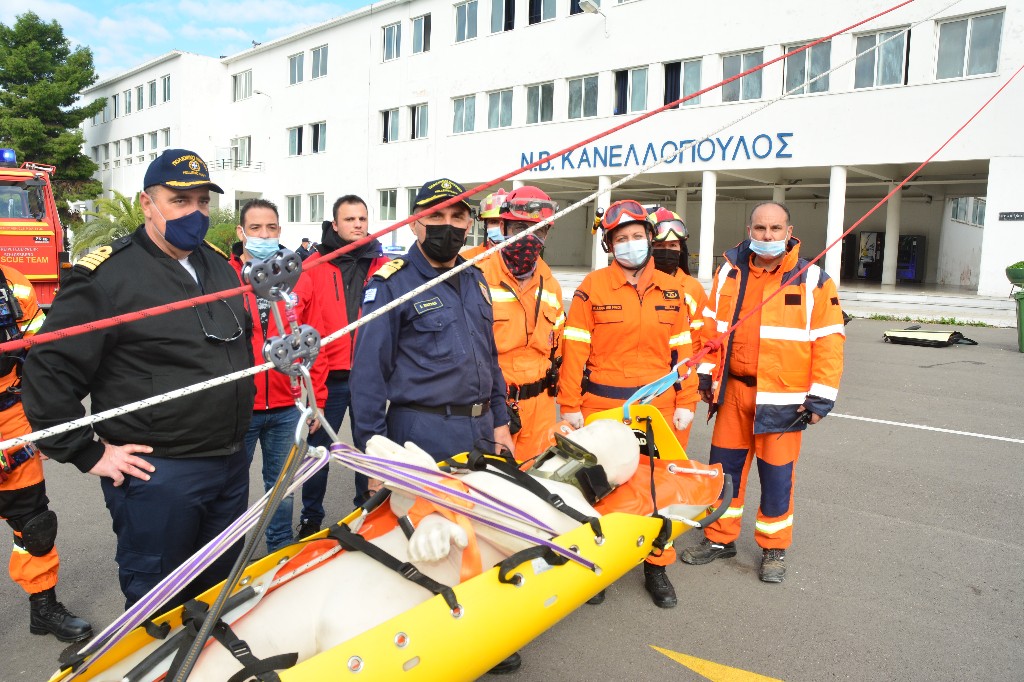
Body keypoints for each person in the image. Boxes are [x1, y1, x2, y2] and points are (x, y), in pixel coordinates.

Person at [23, 149, 255, 609]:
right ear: (147, 204)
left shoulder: (215, 266)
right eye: (179, 201)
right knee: (158, 602)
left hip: (229, 463)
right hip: (159, 474)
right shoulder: (108, 276)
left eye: (202, 202)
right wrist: (87, 452)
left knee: (218, 590)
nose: (195, 213)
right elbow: (48, 371)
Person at [349, 178, 518, 674]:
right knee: (423, 546)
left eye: (458, 216)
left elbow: (489, 358)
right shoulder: (391, 283)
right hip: (421, 434)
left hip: (479, 430)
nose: (448, 226)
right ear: (416, 223)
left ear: (470, 223)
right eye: (436, 216)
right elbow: (367, 377)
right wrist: (374, 459)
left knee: (478, 534)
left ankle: (480, 631)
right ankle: (432, 646)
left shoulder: (475, 277)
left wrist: (500, 421)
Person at [679, 201, 845, 583]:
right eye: (760, 228)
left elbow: (829, 342)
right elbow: (710, 329)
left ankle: (774, 548)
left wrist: (821, 396)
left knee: (777, 479)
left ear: (789, 233)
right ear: (749, 231)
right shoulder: (729, 272)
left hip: (783, 401)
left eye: (775, 229)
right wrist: (704, 375)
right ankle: (719, 538)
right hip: (733, 393)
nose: (767, 236)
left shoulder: (813, 280)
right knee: (724, 472)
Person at [557, 199, 698, 609]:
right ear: (609, 244)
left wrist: (687, 399)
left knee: (659, 489)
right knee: (599, 489)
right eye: (622, 238)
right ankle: (596, 565)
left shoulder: (672, 289)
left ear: (650, 238)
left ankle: (657, 566)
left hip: (659, 411)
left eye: (637, 236)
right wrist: (569, 405)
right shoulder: (592, 287)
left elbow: (683, 352)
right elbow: (574, 352)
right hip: (603, 407)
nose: (631, 244)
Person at [230, 199, 328, 552]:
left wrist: (316, 400)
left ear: (280, 231)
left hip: (288, 406)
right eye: (255, 228)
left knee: (283, 489)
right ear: (241, 232)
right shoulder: (224, 279)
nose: (264, 235)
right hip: (239, 408)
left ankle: (280, 553)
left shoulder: (299, 279)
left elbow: (314, 342)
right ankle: (227, 562)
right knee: (230, 493)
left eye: (271, 228)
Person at [0, 265, 92, 642]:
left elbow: (38, 352)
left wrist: (43, 420)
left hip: (11, 417)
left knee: (34, 524)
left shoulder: (13, 283)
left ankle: (43, 606)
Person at [292, 195, 389, 521]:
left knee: (369, 450)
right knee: (319, 452)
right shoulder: (313, 265)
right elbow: (295, 318)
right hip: (327, 378)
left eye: (362, 219)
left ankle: (367, 515)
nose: (358, 225)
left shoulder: (382, 264)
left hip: (368, 375)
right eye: (350, 219)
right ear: (335, 225)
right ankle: (311, 518)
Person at [474, 186, 565, 461]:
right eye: (519, 228)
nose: (529, 237)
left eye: (538, 230)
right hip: (493, 409)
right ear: (503, 228)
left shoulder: (551, 285)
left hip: (541, 412)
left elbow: (559, 349)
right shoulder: (477, 277)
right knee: (491, 481)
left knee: (535, 479)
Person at [647, 207, 708, 448]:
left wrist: (688, 391)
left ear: (681, 248)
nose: (666, 251)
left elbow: (700, 341)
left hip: (677, 384)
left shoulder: (692, 289)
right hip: (639, 380)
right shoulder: (636, 283)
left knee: (670, 453)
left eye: (672, 246)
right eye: (659, 246)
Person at [461, 188, 509, 260]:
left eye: (506, 222)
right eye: (494, 222)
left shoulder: (524, 261)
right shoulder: (465, 259)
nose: (500, 228)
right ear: (485, 225)